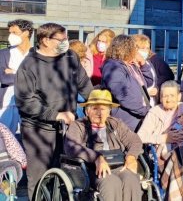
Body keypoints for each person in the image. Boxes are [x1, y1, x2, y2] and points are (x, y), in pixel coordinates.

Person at [15, 23, 94, 200]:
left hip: (67, 129)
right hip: (38, 130)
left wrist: (95, 103)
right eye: (62, 39)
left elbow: (84, 84)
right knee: (40, 177)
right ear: (45, 40)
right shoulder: (29, 65)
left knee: (66, 176)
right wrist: (56, 115)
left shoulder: (70, 57)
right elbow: (25, 101)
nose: (66, 42)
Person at [64, 89, 143, 201]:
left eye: (103, 109)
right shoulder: (78, 126)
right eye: (95, 108)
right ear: (87, 110)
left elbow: (134, 140)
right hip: (90, 169)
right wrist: (96, 157)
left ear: (109, 111)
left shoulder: (115, 124)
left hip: (118, 166)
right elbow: (71, 147)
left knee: (131, 179)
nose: (99, 113)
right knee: (111, 183)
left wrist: (131, 157)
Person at [138, 81, 183, 199]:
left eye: (172, 95)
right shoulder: (155, 112)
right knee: (182, 149)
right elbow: (140, 136)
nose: (168, 99)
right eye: (165, 96)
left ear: (179, 96)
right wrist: (164, 138)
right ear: (160, 97)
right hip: (164, 156)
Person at [102, 35, 155, 131]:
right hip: (126, 120)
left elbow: (149, 82)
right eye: (135, 48)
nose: (136, 51)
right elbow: (123, 95)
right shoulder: (113, 67)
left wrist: (143, 64)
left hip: (138, 117)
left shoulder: (131, 64)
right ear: (126, 49)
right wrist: (144, 111)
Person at [0, 19, 33, 133]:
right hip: (7, 105)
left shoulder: (36, 54)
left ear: (26, 33)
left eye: (14, 33)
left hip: (30, 105)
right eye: (10, 32)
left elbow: (41, 78)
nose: (11, 36)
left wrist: (14, 72)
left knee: (28, 142)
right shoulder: (3, 54)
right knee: (4, 142)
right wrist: (28, 76)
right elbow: (3, 78)